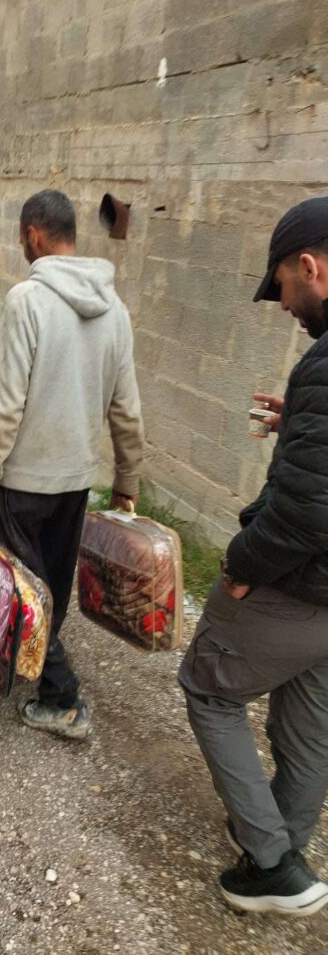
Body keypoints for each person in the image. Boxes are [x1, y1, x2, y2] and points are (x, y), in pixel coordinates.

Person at [178, 197, 328, 917]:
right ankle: (285, 845)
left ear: (311, 266)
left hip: (298, 587)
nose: (285, 306)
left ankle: (273, 866)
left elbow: (308, 509)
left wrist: (240, 567)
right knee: (307, 720)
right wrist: (300, 419)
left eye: (284, 287)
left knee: (208, 688)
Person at [0, 189, 144, 740]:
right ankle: (37, 663)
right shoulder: (115, 310)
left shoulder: (27, 301)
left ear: (34, 234)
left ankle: (63, 698)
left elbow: (3, 405)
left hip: (24, 481)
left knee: (25, 589)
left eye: (22, 237)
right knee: (51, 587)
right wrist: (127, 481)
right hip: (76, 481)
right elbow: (127, 409)